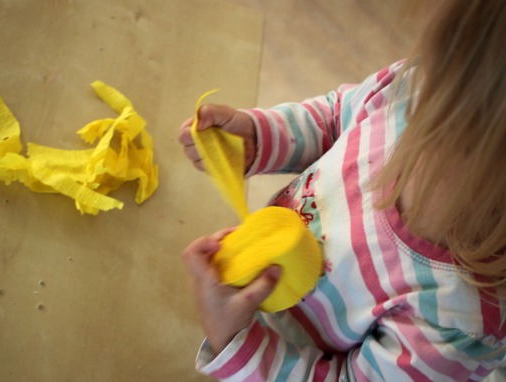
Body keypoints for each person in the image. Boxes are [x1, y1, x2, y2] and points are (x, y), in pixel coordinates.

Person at [177, 0, 506, 380]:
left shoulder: (456, 323)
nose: (411, 89)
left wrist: (236, 344)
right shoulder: (417, 89)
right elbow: (337, 117)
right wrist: (261, 137)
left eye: (440, 129)